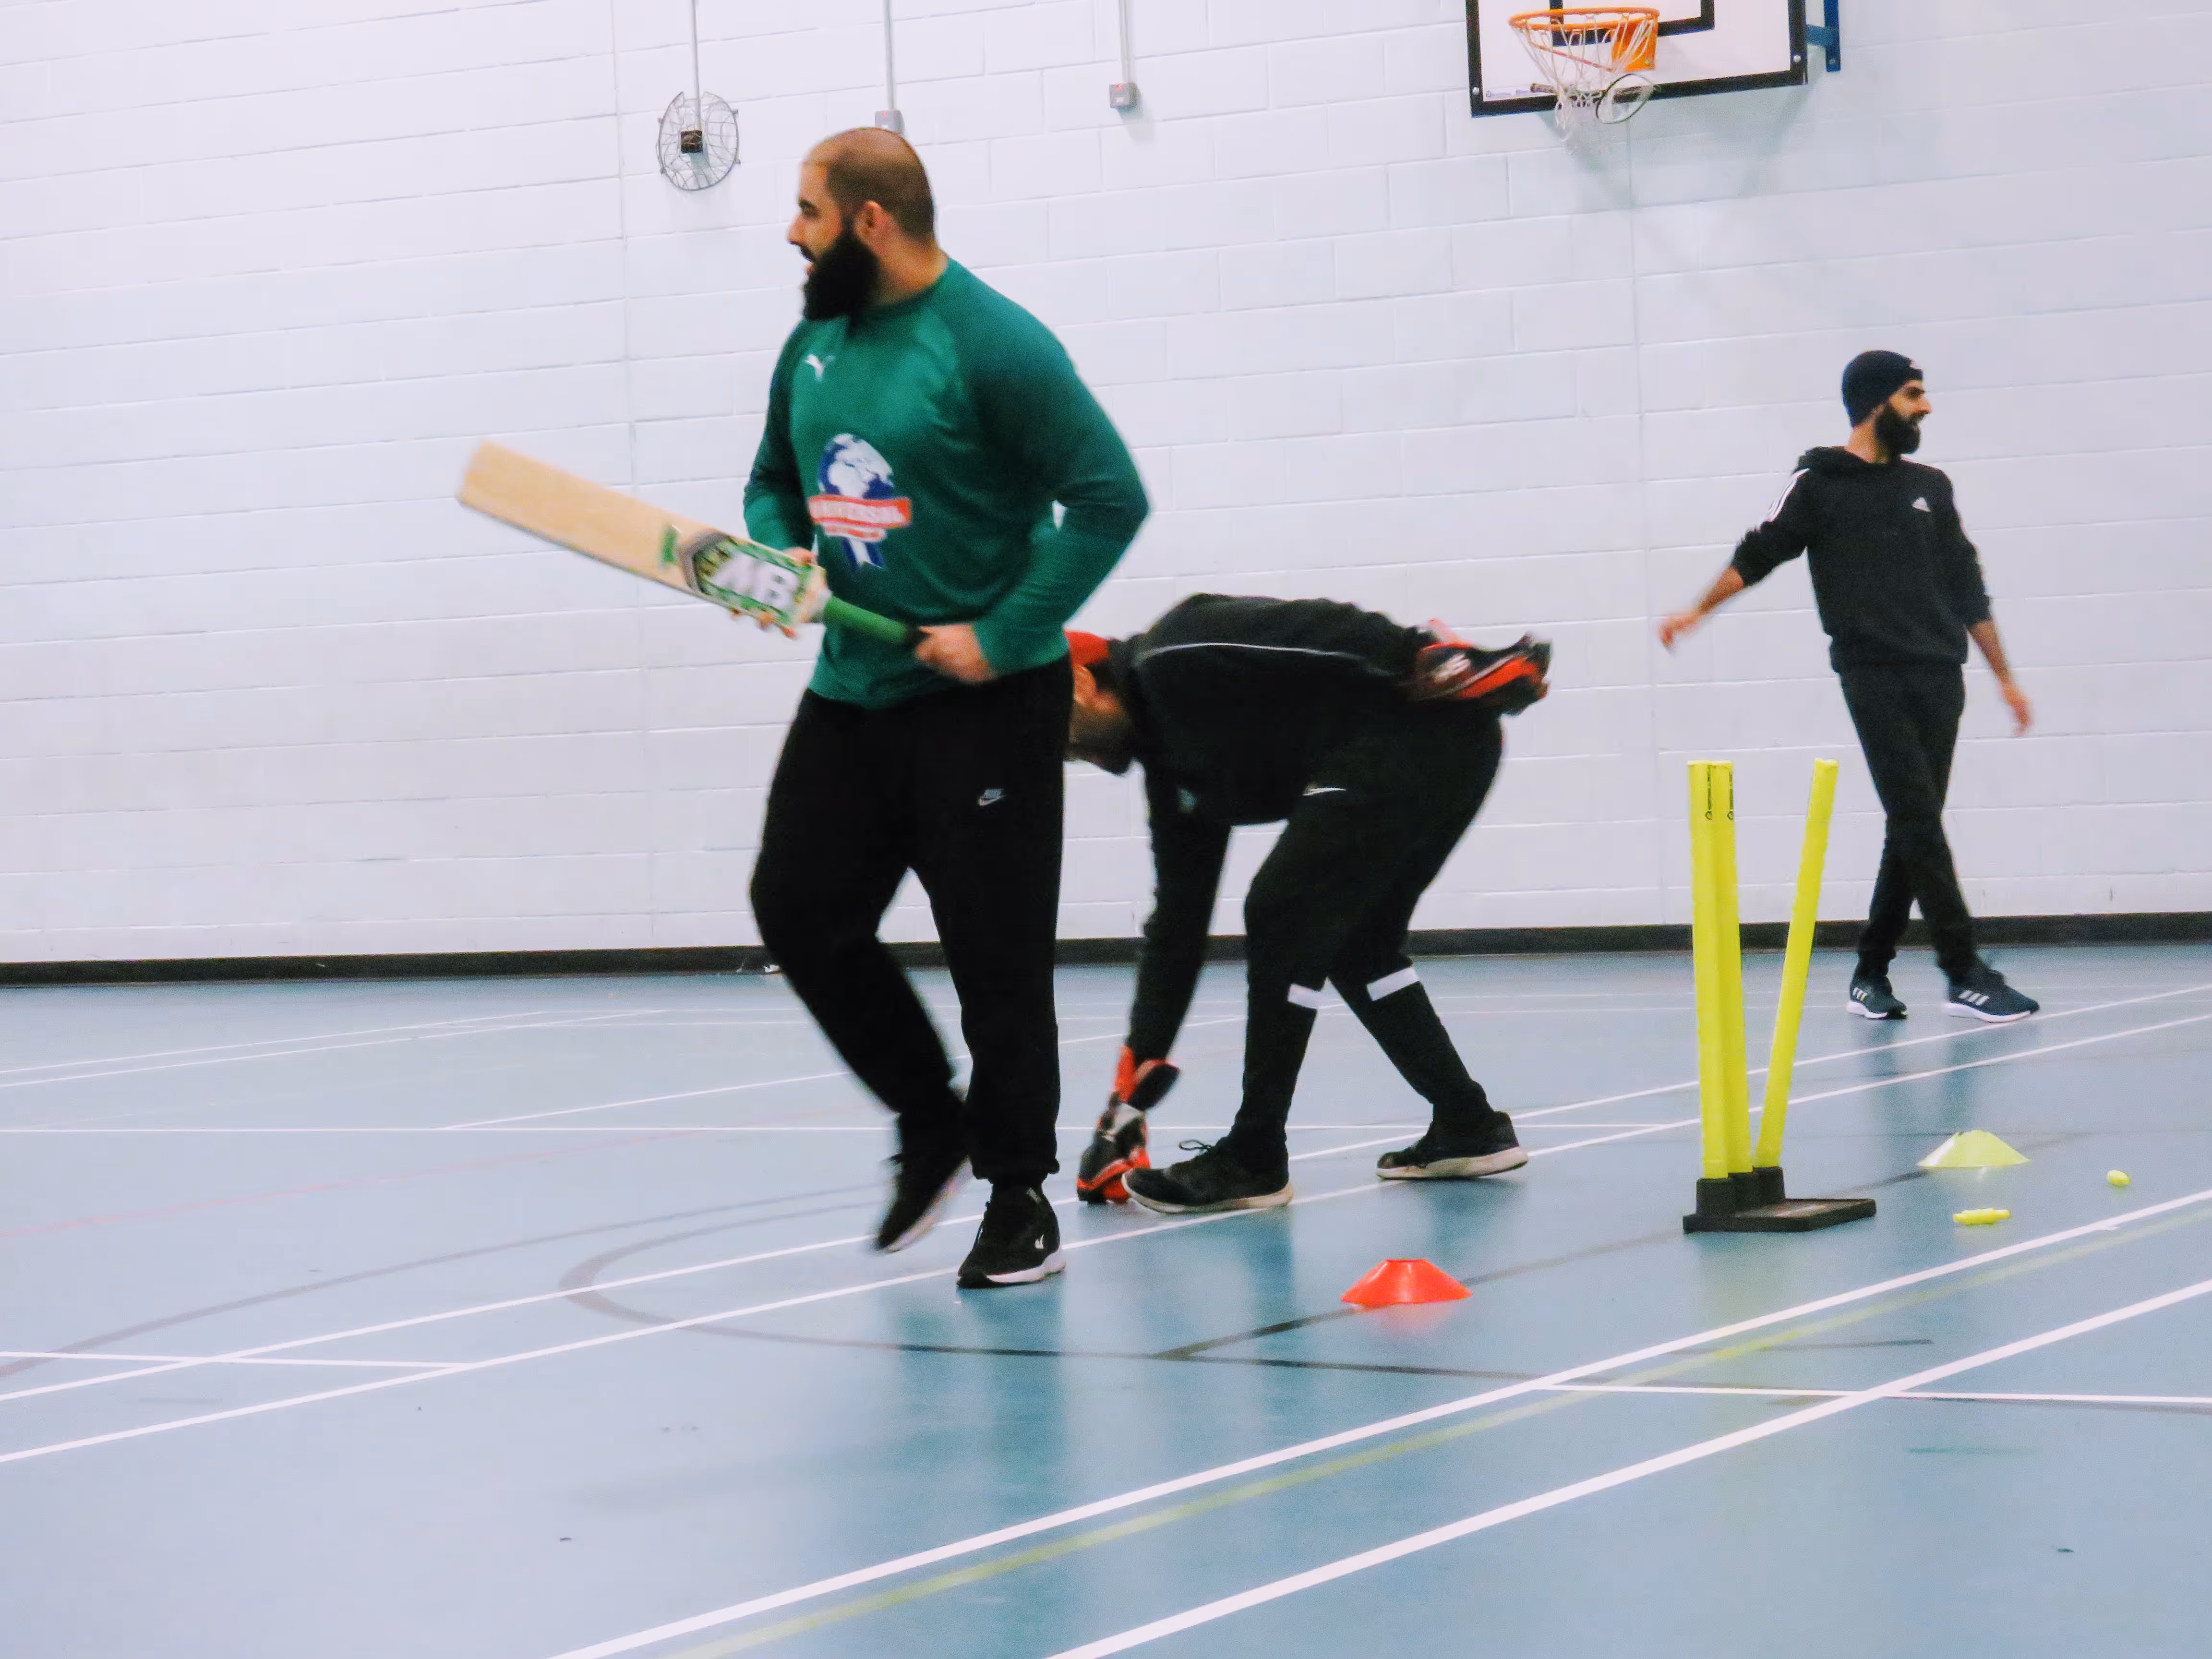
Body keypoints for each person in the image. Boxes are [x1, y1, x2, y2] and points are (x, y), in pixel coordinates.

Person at [743, 130, 1147, 1286]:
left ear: (871, 221)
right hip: (852, 689)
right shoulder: (813, 342)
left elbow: (1109, 498)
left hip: (984, 705)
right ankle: (931, 1120)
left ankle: (1019, 1194)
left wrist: (1008, 633)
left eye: (808, 211)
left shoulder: (995, 345)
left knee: (995, 958)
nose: (791, 230)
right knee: (797, 908)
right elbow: (774, 478)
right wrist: (786, 560)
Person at [1061, 596, 1550, 1214]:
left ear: (1081, 682)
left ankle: (1254, 1157)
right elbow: (1177, 929)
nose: (1069, 755)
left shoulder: (1173, 653)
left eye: (1061, 736)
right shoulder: (1174, 770)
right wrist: (1123, 1108)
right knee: (1357, 943)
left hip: (1425, 731)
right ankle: (1468, 1124)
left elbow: (1318, 631)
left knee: (1281, 910)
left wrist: (1437, 661)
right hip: (1441, 753)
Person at [1659, 349, 2037, 1024]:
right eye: (1913, 394)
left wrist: (2006, 679)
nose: (1924, 408)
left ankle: (1869, 972)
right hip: (1873, 676)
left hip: (1939, 677)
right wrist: (1696, 610)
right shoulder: (1819, 483)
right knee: (1920, 821)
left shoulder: (1932, 486)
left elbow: (1967, 586)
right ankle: (1964, 971)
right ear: (1874, 402)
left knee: (1910, 826)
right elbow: (1760, 550)